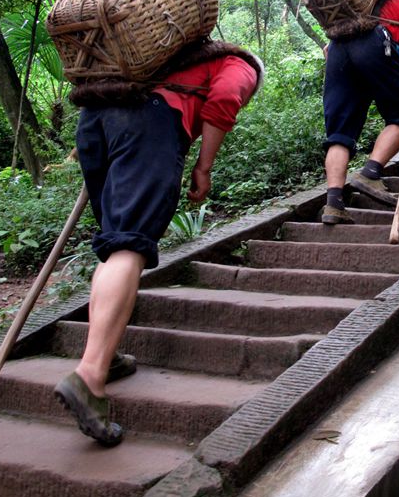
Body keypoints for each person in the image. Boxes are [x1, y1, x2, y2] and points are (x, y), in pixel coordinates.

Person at [54, 39, 262, 446]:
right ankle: (90, 375)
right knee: (130, 244)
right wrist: (204, 167)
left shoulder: (153, 56)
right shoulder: (240, 63)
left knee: (116, 244)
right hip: (150, 121)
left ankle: (107, 353)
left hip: (96, 116)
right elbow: (223, 99)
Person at [320, 0, 399, 225]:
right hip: (373, 43)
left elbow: (326, 50)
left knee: (340, 133)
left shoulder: (354, 6)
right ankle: (371, 173)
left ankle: (334, 203)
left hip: (337, 49)